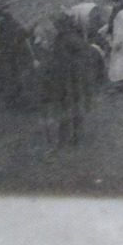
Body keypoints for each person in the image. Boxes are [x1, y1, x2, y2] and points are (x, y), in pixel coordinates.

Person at [42, 13, 94, 149]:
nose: (55, 27)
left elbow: (75, 59)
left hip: (71, 79)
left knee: (72, 107)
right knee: (71, 107)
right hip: (69, 79)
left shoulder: (67, 39)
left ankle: (75, 136)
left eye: (57, 25)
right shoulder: (66, 38)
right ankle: (72, 136)